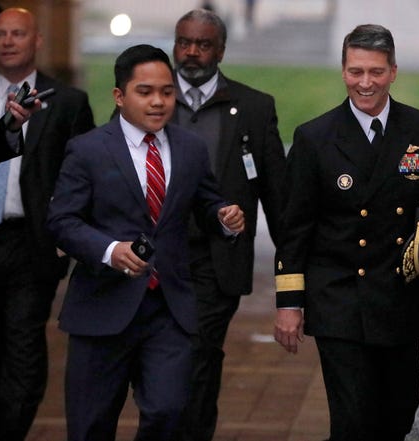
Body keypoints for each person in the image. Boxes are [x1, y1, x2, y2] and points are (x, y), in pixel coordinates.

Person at [273, 24, 419, 441]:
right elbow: (295, 229)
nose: (365, 83)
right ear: (344, 71)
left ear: (393, 72)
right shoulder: (314, 138)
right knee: (353, 420)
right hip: (338, 298)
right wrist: (289, 304)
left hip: (398, 296)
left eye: (376, 72)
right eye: (355, 71)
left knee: (399, 414)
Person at [46, 44, 245, 441]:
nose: (158, 102)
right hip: (102, 309)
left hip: (168, 309)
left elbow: (206, 202)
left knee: (169, 413)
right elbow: (62, 220)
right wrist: (108, 250)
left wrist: (224, 216)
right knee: (90, 426)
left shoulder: (189, 148)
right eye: (145, 91)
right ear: (120, 96)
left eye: (167, 92)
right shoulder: (88, 150)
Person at [170, 8, 286, 440]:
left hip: (216, 261)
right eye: (184, 42)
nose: (192, 53)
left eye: (202, 44)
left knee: (198, 355)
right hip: (158, 259)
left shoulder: (254, 108)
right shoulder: (150, 97)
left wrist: (290, 277)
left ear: (220, 49)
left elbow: (278, 195)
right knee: (161, 361)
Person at [0, 7, 94, 441]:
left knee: (23, 344)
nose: (8, 41)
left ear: (37, 41)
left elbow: (84, 173)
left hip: (31, 243)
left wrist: (67, 237)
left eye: (18, 33)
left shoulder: (67, 102)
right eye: (0, 34)